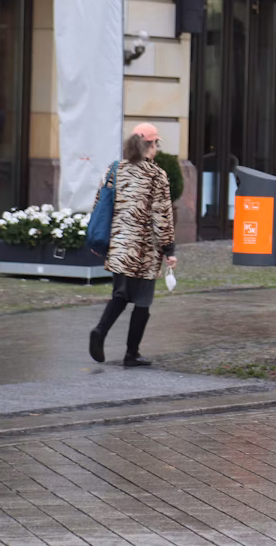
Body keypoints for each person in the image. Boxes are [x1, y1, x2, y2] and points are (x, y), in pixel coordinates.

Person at [88, 123, 177, 367]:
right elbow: (162, 215)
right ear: (149, 145)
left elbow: (100, 204)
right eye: (156, 144)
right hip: (144, 249)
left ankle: (100, 330)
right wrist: (169, 249)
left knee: (121, 293)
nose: (157, 149)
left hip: (119, 246)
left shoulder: (114, 169)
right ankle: (132, 353)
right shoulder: (156, 175)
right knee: (143, 301)